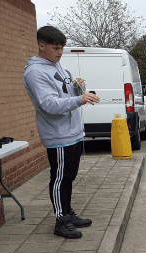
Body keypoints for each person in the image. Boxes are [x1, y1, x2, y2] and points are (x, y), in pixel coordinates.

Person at [23, 26, 99, 239]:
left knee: (69, 177)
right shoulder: (35, 72)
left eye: (62, 48)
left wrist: (77, 88)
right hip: (57, 135)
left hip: (72, 132)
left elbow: (65, 95)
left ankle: (68, 212)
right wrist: (79, 99)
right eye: (56, 48)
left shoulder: (59, 67)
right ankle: (61, 220)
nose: (59, 52)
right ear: (41, 46)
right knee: (60, 179)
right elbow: (49, 104)